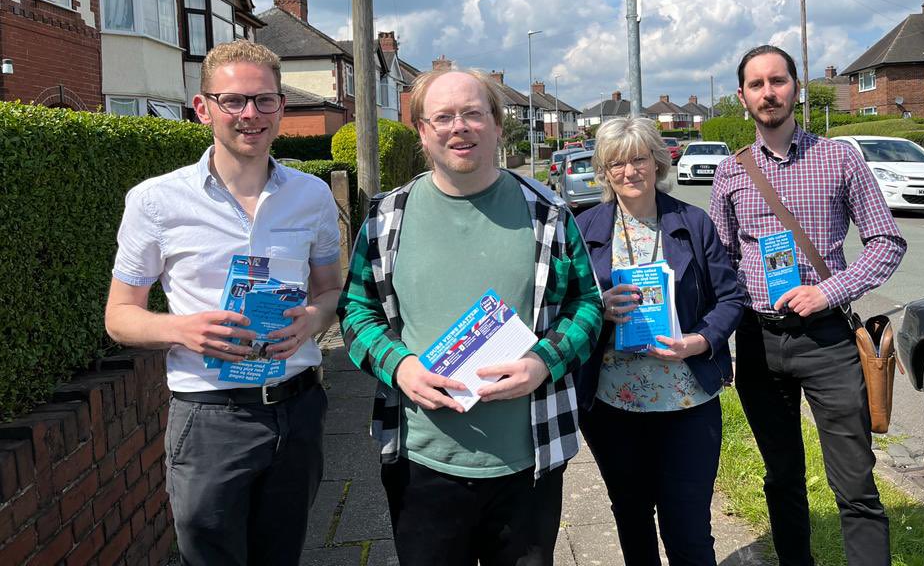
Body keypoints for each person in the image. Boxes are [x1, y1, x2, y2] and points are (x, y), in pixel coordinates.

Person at [340, 68, 603, 566]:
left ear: (498, 125)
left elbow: (586, 304)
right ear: (421, 130)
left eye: (473, 113)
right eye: (442, 116)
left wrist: (544, 361)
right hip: (422, 462)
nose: (458, 127)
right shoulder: (384, 218)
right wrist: (398, 365)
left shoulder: (548, 214)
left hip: (529, 461)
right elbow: (356, 310)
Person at [105, 41, 342, 566]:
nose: (250, 115)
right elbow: (119, 316)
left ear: (281, 105)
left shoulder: (313, 196)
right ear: (203, 107)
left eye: (264, 100)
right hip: (211, 418)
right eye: (233, 101)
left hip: (298, 409)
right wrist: (181, 329)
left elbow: (330, 289)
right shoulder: (156, 201)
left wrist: (312, 319)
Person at [709, 44, 907, 566]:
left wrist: (830, 290)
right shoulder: (730, 173)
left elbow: (887, 242)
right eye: (757, 84)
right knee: (782, 475)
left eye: (778, 81)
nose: (768, 93)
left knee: (855, 481)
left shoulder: (839, 157)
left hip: (826, 339)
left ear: (796, 87)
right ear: (742, 97)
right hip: (758, 342)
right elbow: (722, 262)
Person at [574, 117, 745, 566]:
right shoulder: (584, 228)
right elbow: (564, 308)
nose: (629, 171)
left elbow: (731, 297)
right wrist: (598, 308)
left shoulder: (693, 222)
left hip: (686, 404)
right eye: (616, 163)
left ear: (658, 161)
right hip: (613, 406)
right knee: (631, 517)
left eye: (638, 159)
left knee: (688, 528)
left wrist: (701, 340)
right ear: (604, 171)